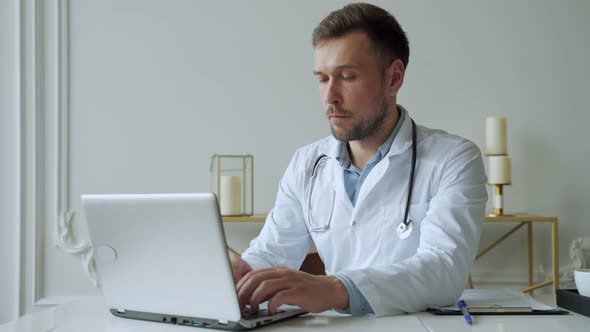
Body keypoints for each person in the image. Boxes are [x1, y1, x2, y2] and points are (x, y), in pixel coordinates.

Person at [230, 2, 487, 317]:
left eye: (347, 76)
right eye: (323, 79)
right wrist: (240, 274)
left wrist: (334, 288)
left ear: (393, 78)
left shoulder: (454, 159)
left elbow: (444, 269)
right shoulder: (307, 163)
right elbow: (271, 254)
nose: (330, 96)